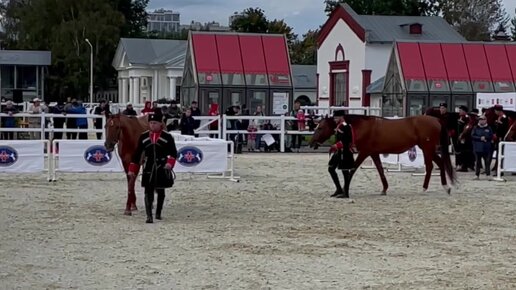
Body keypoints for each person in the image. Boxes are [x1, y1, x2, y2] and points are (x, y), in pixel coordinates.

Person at [128, 113, 178, 223]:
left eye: (154, 123)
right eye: (150, 123)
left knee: (161, 190)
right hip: (149, 166)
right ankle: (149, 216)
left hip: (162, 165)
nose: (152, 125)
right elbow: (137, 154)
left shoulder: (167, 137)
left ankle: (158, 212)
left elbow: (173, 153)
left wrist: (170, 163)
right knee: (148, 190)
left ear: (160, 124)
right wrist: (132, 168)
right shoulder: (143, 136)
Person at [328, 110, 355, 198]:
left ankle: (346, 192)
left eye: (336, 118)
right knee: (331, 168)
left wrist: (336, 145)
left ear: (341, 117)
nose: (334, 119)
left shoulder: (345, 126)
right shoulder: (340, 126)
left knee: (345, 171)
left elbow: (346, 140)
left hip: (345, 151)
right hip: (339, 151)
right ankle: (339, 188)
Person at [471, 114, 494, 179]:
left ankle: (488, 174)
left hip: (487, 148)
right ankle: (477, 175)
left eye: (483, 119)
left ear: (486, 120)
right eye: (480, 120)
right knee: (478, 162)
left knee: (487, 162)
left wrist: (485, 137)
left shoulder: (489, 128)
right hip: (477, 148)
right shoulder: (475, 127)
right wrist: (480, 138)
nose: (482, 121)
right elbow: (472, 136)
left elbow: (491, 136)